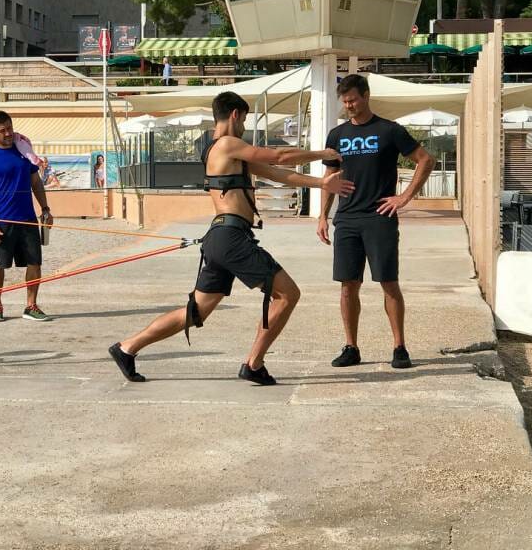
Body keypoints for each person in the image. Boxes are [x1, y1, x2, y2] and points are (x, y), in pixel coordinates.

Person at [109, 92, 354, 385]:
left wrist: (322, 182)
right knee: (288, 294)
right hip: (231, 237)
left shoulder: (221, 151)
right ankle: (254, 363)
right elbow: (279, 155)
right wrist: (322, 154)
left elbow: (276, 172)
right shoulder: (227, 144)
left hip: (222, 236)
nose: (245, 126)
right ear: (235, 114)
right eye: (245, 119)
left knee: (196, 311)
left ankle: (127, 347)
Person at [318, 74, 436, 370]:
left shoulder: (389, 130)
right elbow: (329, 179)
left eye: (354, 100)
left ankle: (399, 346)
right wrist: (322, 215)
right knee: (347, 285)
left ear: (366, 95)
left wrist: (404, 197)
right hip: (346, 219)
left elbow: (426, 159)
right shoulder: (337, 135)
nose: (350, 107)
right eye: (345, 102)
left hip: (379, 217)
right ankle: (351, 346)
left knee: (388, 282)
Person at [0, 111, 54, 323]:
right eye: (2, 130)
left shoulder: (24, 152)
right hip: (2, 221)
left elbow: (36, 183)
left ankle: (31, 305)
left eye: (10, 128)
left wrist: (45, 209)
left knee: (34, 263)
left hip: (27, 219)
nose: (9, 133)